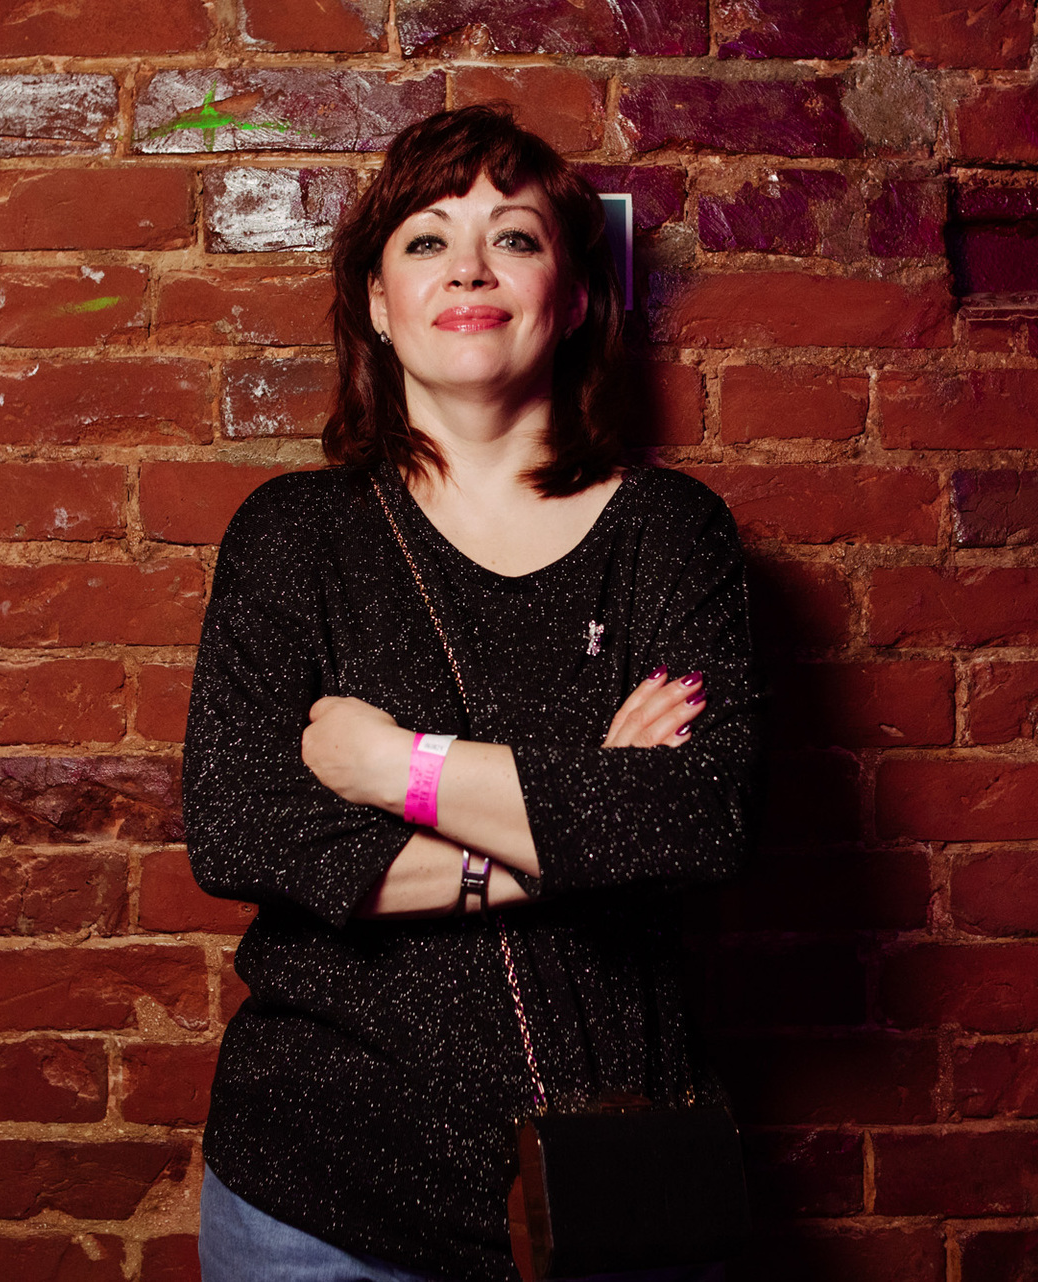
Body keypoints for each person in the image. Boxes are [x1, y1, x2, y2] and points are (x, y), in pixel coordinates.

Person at [183, 104, 760, 1282]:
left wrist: (393, 768)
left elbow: (696, 818)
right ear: (378, 304)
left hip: (611, 1176)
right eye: (428, 240)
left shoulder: (668, 533)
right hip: (317, 1196)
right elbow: (241, 826)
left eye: (516, 238)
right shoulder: (294, 536)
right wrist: (579, 821)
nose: (470, 269)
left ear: (575, 296)